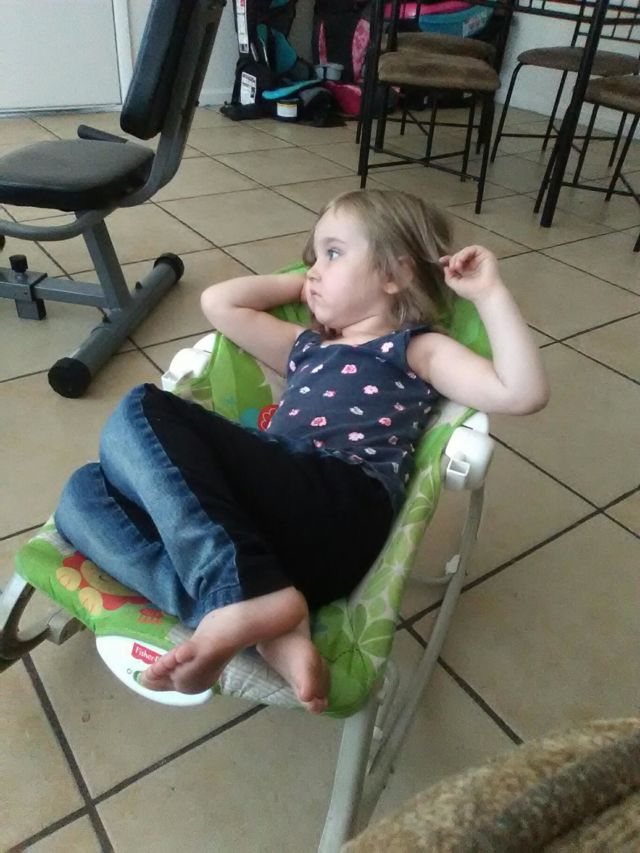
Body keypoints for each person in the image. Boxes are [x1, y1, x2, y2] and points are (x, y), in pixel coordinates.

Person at [55, 189, 549, 714]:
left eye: (332, 253)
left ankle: (241, 597)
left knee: (144, 410)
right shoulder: (306, 347)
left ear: (395, 274)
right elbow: (220, 303)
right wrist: (307, 279)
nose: (312, 270)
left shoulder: (414, 347)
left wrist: (489, 293)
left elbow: (521, 393)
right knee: (81, 495)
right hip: (273, 549)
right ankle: (272, 626)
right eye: (312, 257)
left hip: (339, 502)